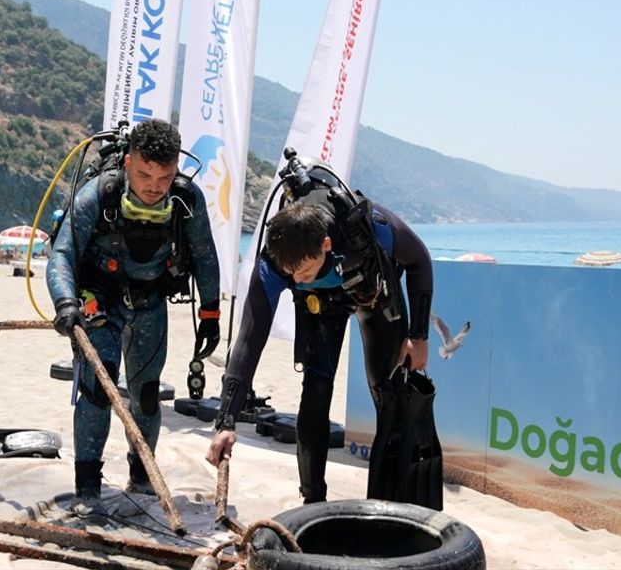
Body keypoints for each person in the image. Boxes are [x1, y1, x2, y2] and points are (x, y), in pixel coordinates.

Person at [205, 161, 432, 504]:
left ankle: (395, 498)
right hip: (319, 306)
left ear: (326, 244)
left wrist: (419, 335)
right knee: (316, 388)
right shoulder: (273, 261)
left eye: (305, 270)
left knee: (389, 391)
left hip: (372, 293)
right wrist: (226, 419)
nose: (296, 280)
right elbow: (250, 339)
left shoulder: (366, 227)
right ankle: (312, 501)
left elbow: (420, 260)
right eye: (290, 274)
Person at [47, 118, 221, 513]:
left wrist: (210, 313)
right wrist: (65, 303)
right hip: (99, 302)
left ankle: (141, 480)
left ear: (176, 168)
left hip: (150, 303)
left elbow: (206, 257)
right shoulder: (100, 195)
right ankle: (87, 489)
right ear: (127, 163)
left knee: (145, 394)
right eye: (144, 174)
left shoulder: (186, 200)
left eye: (164, 176)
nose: (154, 185)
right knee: (98, 388)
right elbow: (62, 254)